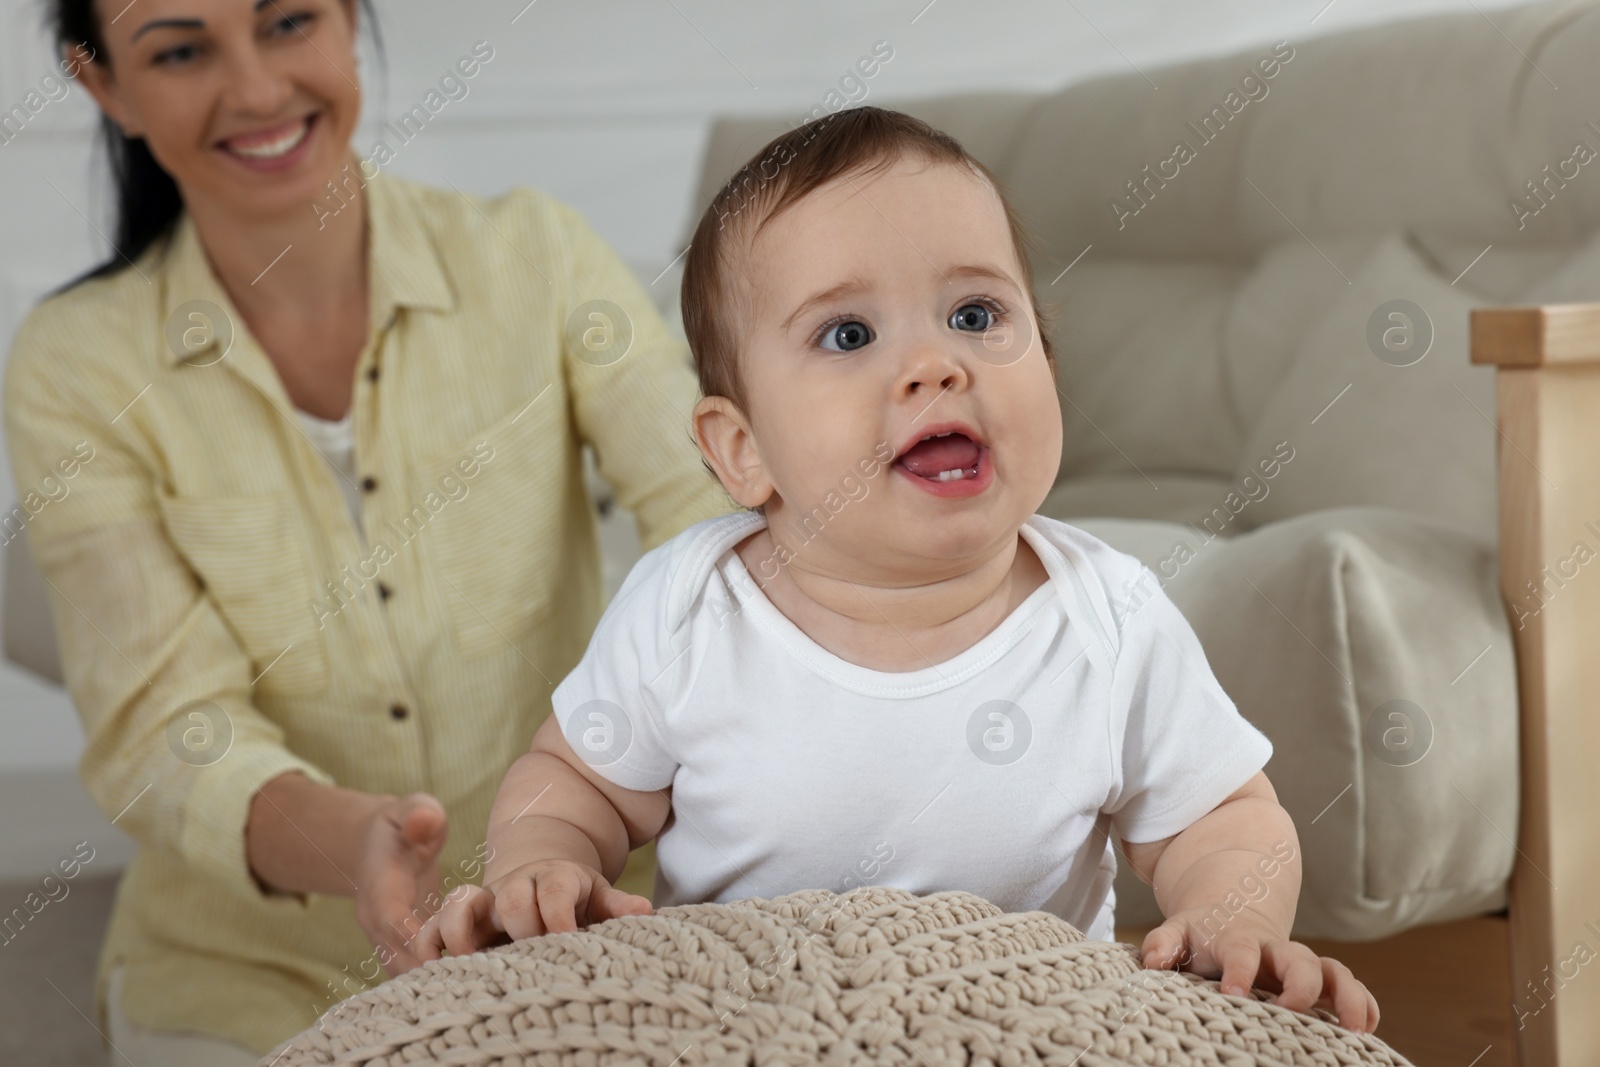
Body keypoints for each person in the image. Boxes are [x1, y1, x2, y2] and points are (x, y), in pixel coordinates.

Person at [415, 106, 1382, 1036]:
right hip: (741, 1024)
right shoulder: (689, 612)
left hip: (1030, 1027)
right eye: (848, 334)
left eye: (975, 312)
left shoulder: (1107, 617)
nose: (934, 364)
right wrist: (545, 863)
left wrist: (1231, 915)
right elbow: (574, 780)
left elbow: (1219, 816)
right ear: (741, 448)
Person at [2, 0, 732, 1061]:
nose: (255, 89)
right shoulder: (74, 363)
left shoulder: (536, 254)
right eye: (179, 49)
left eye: (289, 21)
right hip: (245, 969)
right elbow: (164, 725)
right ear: (104, 84)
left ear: (349, 21)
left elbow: (716, 524)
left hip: (579, 914)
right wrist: (355, 843)